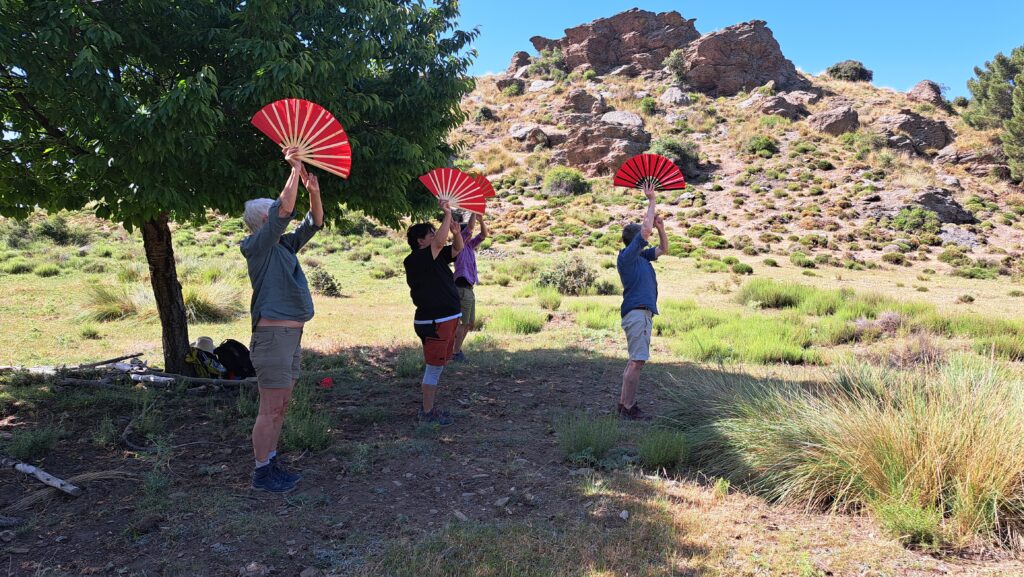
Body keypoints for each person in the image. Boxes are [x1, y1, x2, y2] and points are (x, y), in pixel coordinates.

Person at [240, 146, 323, 493]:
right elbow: (285, 210)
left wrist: (314, 192)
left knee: (281, 405)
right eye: (275, 215)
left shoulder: (284, 247)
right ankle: (262, 473)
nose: (283, 217)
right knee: (271, 407)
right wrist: (295, 168)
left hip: (289, 338)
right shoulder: (256, 246)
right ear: (265, 221)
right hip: (273, 338)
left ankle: (271, 461)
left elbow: (314, 222)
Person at [403, 200, 464, 426]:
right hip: (435, 321)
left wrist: (456, 232)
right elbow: (440, 242)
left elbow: (458, 249)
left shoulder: (436, 256)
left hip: (444, 319)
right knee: (434, 368)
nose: (436, 236)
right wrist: (447, 214)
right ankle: (427, 413)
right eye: (430, 234)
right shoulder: (417, 259)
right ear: (420, 241)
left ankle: (429, 410)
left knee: (437, 367)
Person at [616, 183, 668, 421]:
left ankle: (625, 404)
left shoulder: (641, 257)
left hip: (642, 314)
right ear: (634, 239)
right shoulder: (627, 257)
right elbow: (645, 232)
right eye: (641, 234)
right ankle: (627, 407)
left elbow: (663, 249)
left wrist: (661, 228)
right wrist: (651, 201)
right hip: (637, 314)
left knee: (635, 362)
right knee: (637, 362)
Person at [452, 213, 487, 362]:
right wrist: (474, 209)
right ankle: (455, 353)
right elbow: (471, 228)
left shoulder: (470, 247)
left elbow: (484, 235)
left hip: (469, 289)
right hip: (461, 288)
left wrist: (481, 220)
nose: (470, 236)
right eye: (467, 234)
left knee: (469, 323)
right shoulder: (459, 246)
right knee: (463, 323)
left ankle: (455, 349)